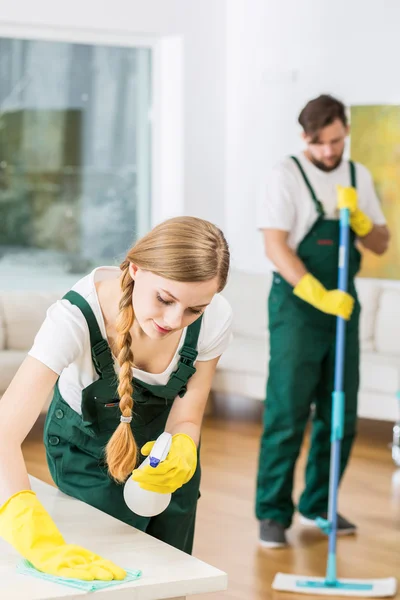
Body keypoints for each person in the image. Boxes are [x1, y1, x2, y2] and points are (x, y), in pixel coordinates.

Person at [0, 216, 232, 580]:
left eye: (194, 309)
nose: (174, 320)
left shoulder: (215, 318)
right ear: (136, 269)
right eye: (165, 299)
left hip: (163, 453)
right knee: (107, 574)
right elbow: (3, 434)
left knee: (172, 574)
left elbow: (188, 412)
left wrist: (184, 445)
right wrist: (30, 531)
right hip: (90, 450)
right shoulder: (74, 319)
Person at [256, 94, 390, 548]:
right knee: (287, 410)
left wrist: (362, 222)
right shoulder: (286, 174)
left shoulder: (359, 176)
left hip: (344, 307)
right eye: (319, 143)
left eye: (335, 140)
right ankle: (273, 513)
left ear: (345, 131)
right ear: (305, 138)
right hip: (297, 305)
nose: (329, 151)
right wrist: (315, 292)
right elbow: (275, 246)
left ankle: (319, 505)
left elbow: (381, 244)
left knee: (340, 412)